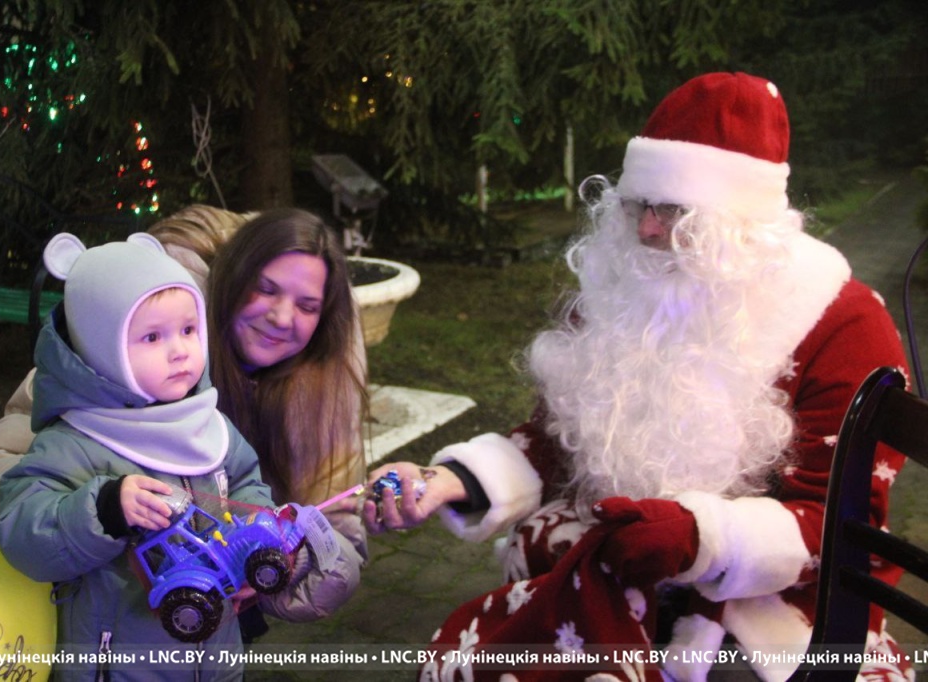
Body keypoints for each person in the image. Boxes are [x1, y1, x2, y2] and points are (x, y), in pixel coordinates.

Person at [364, 72, 912, 681]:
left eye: (674, 210)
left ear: (741, 222)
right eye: (638, 205)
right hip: (616, 570)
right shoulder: (625, 288)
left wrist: (702, 536)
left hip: (763, 616)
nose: (647, 230)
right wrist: (449, 481)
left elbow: (842, 527)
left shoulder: (841, 322)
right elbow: (554, 439)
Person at [0, 206, 368, 628]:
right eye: (265, 289)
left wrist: (279, 554)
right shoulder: (93, 390)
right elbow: (10, 501)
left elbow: (285, 508)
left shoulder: (290, 402)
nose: (281, 316)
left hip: (214, 630)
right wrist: (101, 511)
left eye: (307, 305)